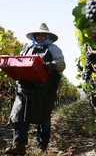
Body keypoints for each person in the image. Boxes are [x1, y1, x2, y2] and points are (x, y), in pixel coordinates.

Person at [4, 23, 66, 155]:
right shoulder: (27, 48)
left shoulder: (53, 49)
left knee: (43, 115)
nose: (40, 36)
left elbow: (61, 65)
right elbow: (21, 61)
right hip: (25, 87)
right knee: (20, 113)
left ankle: (41, 146)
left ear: (47, 36)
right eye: (38, 34)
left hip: (43, 89)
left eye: (43, 34)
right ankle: (19, 145)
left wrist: (49, 65)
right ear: (34, 36)